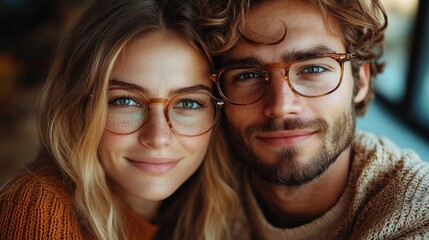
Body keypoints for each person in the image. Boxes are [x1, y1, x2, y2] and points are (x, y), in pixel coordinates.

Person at [0, 0, 239, 239]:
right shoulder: (39, 212)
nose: (158, 138)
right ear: (77, 108)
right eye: (125, 101)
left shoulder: (200, 216)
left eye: (188, 103)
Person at [200, 0, 429, 239]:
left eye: (313, 69)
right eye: (247, 75)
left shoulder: (418, 213)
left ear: (360, 80)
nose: (281, 106)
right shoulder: (191, 183)